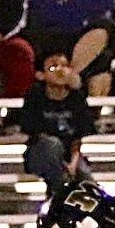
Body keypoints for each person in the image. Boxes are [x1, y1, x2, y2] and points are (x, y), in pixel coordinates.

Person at [19, 50, 96, 193]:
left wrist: (73, 163)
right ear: (41, 75)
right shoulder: (35, 97)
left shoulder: (77, 99)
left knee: (86, 179)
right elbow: (36, 133)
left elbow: (77, 139)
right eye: (53, 67)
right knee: (52, 145)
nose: (60, 71)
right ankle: (59, 192)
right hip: (41, 154)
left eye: (65, 66)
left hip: (69, 154)